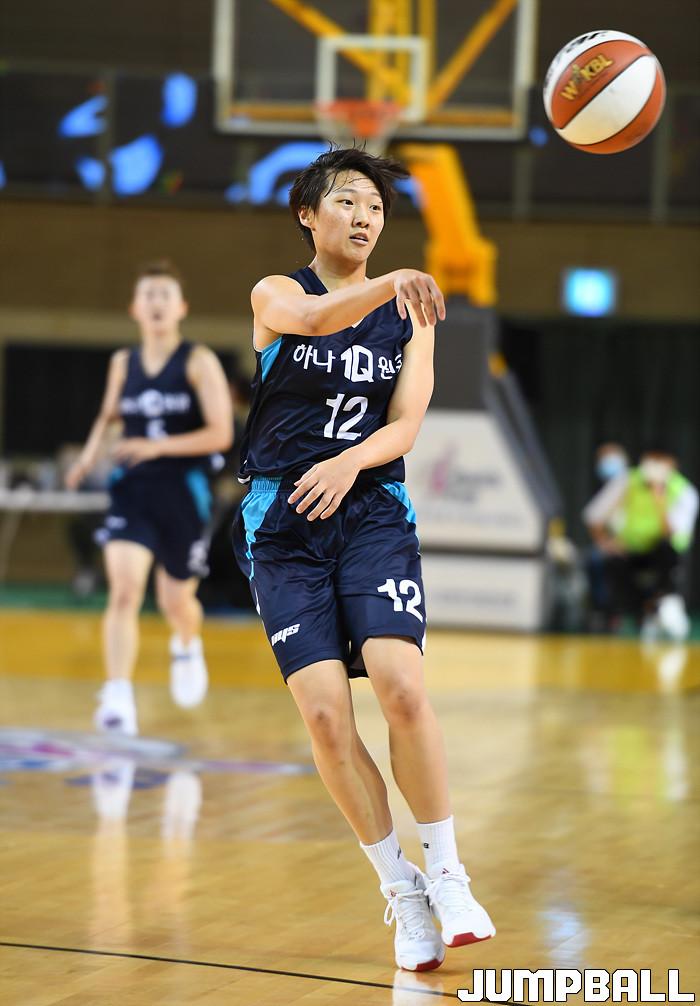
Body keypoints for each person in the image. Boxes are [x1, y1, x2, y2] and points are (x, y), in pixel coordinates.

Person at [231, 147, 495, 972]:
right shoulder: (276, 294)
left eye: (376, 207)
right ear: (308, 215)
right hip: (283, 522)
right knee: (323, 717)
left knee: (400, 684)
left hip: (372, 507)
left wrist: (349, 463)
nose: (364, 217)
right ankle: (400, 888)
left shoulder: (409, 314)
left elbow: (406, 421)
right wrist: (393, 281)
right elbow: (314, 323)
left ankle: (447, 874)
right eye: (347, 202)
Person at [65, 261, 233, 735]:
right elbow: (108, 416)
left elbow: (221, 434)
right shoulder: (124, 363)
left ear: (181, 307)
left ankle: (187, 644)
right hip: (133, 491)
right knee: (123, 591)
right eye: (149, 295)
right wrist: (87, 458)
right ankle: (117, 693)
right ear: (134, 308)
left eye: (165, 295)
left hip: (184, 492)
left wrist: (157, 447)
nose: (157, 302)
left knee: (175, 601)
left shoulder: (198, 361)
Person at [583, 445, 698, 640]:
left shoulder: (684, 491)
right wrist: (606, 542)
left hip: (661, 552)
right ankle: (629, 614)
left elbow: (676, 535)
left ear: (672, 465)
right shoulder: (627, 481)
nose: (655, 466)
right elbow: (594, 516)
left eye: (660, 461)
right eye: (651, 460)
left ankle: (663, 605)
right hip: (629, 550)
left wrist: (659, 499)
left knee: (666, 553)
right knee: (602, 560)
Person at [584, 442, 629, 629]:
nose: (607, 463)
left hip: (639, 543)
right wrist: (605, 543)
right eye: (603, 459)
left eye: (610, 458)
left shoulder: (634, 482)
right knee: (594, 558)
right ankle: (603, 611)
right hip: (616, 544)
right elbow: (592, 517)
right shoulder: (612, 486)